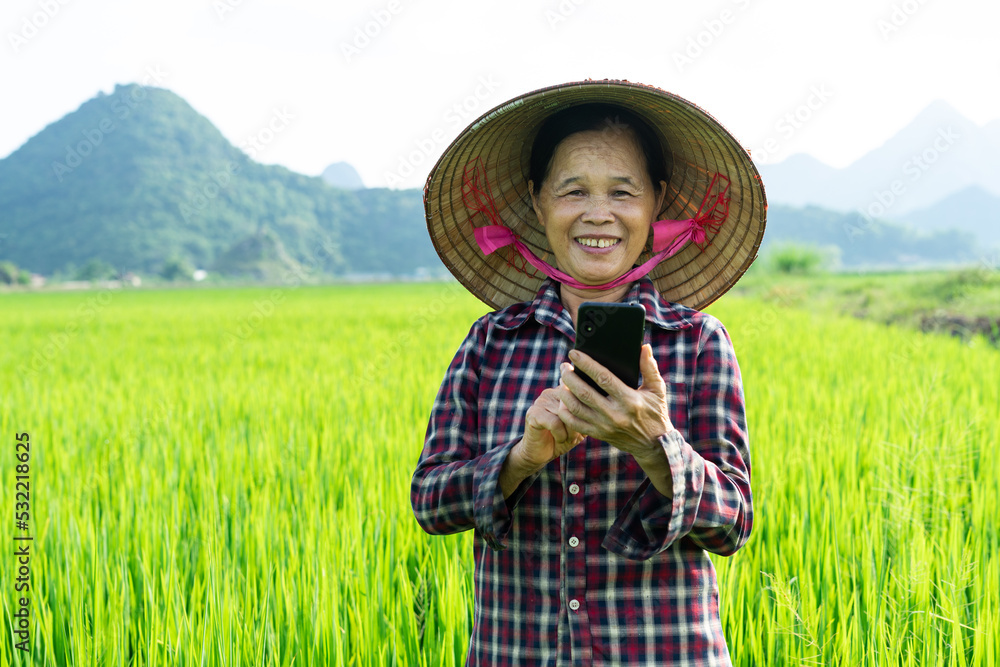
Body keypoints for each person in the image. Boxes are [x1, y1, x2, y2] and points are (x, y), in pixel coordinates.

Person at [411, 80, 766, 666]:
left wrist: (654, 446)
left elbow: (733, 521)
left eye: (623, 192)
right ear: (537, 200)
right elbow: (430, 500)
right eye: (573, 190)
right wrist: (520, 459)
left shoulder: (698, 342)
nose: (598, 214)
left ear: (656, 201)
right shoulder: (491, 342)